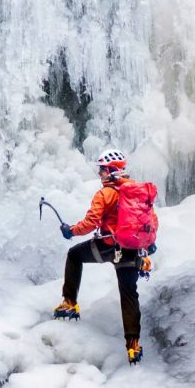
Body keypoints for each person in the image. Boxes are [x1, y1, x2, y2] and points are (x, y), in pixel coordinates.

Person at [53, 148, 144, 365]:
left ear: (111, 171)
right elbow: (150, 221)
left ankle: (69, 302)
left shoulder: (105, 194)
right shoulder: (137, 192)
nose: (100, 175)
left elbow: (90, 223)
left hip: (109, 246)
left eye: (102, 170)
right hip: (132, 249)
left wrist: (71, 231)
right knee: (129, 295)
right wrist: (148, 247)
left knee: (74, 255)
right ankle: (133, 346)